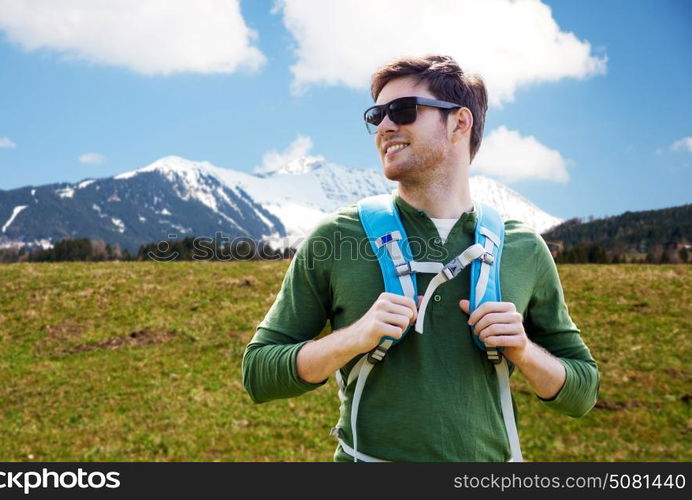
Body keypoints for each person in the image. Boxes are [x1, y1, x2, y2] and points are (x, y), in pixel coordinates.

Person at [241, 54, 599, 462]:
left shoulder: (523, 248)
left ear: (459, 123)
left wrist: (524, 351)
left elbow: (582, 393)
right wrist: (353, 338)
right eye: (377, 115)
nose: (385, 126)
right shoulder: (337, 237)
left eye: (403, 111)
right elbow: (258, 374)